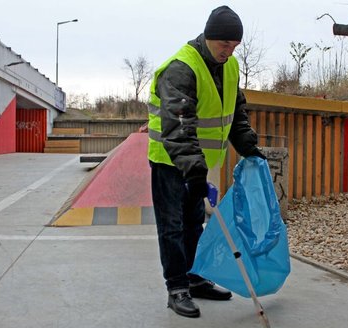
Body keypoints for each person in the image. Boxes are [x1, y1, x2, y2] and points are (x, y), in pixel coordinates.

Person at [147, 5, 265, 318]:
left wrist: (248, 145)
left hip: (197, 162)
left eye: (234, 46)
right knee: (172, 226)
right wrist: (196, 172)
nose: (229, 51)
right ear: (208, 37)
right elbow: (178, 126)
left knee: (193, 221)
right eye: (223, 44)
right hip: (169, 160)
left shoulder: (231, 66)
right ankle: (176, 288)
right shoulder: (182, 68)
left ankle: (195, 278)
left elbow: (235, 112)